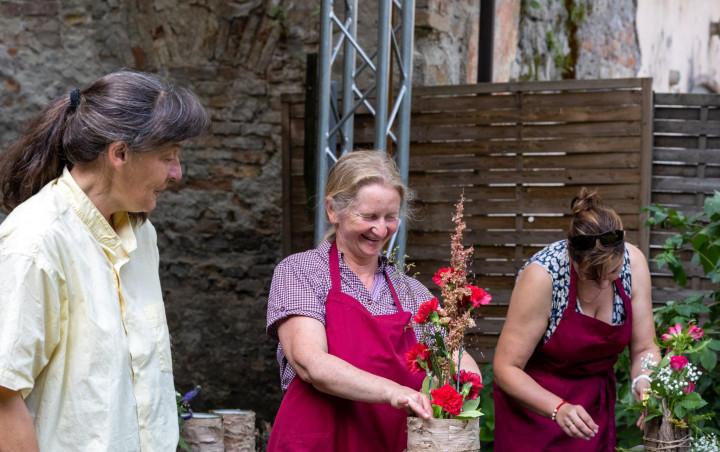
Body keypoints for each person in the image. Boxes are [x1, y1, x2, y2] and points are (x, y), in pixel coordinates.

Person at [0, 70, 209, 452]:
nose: (177, 172)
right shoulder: (36, 243)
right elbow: (3, 397)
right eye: (168, 156)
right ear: (120, 154)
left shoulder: (142, 235)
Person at [266, 150, 480, 451]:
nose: (381, 230)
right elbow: (310, 362)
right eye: (368, 217)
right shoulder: (301, 272)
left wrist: (463, 385)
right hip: (318, 441)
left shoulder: (411, 292)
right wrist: (394, 392)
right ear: (333, 210)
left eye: (390, 217)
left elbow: (457, 363)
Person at [492, 187, 660, 451]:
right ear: (571, 254)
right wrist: (557, 408)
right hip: (534, 413)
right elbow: (506, 368)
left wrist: (645, 381)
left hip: (593, 412)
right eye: (592, 276)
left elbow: (645, 348)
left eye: (613, 272)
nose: (604, 284)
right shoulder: (542, 276)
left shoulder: (633, 263)